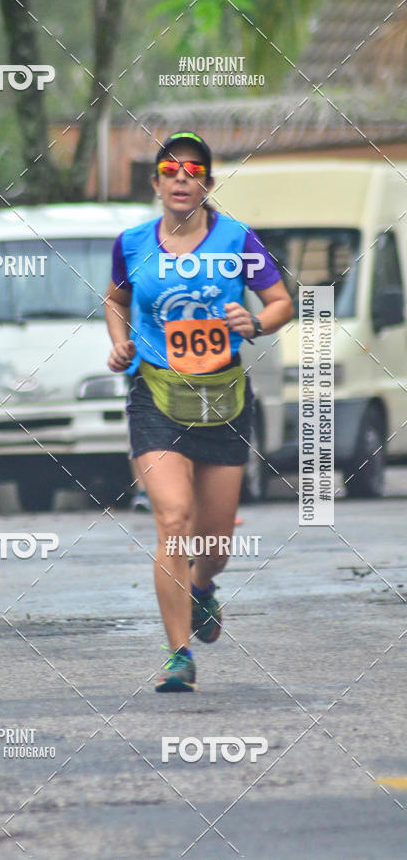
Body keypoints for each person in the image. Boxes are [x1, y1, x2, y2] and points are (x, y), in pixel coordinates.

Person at [104, 131, 293, 692]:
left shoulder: (237, 239)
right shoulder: (133, 243)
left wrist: (255, 322)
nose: (181, 177)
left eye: (193, 170)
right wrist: (119, 341)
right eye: (170, 169)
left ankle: (204, 589)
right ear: (157, 182)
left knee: (212, 546)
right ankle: (178, 655)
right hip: (156, 394)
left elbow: (282, 301)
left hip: (224, 399)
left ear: (207, 183)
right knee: (173, 520)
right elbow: (115, 299)